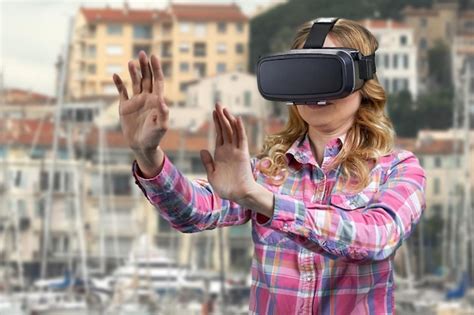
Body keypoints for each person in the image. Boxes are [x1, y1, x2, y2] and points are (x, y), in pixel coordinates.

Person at [113, 18, 426, 315]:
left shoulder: (398, 169)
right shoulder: (267, 171)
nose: (316, 90)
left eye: (329, 72)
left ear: (363, 81)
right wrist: (147, 154)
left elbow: (377, 238)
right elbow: (193, 212)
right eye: (304, 75)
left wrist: (264, 201)